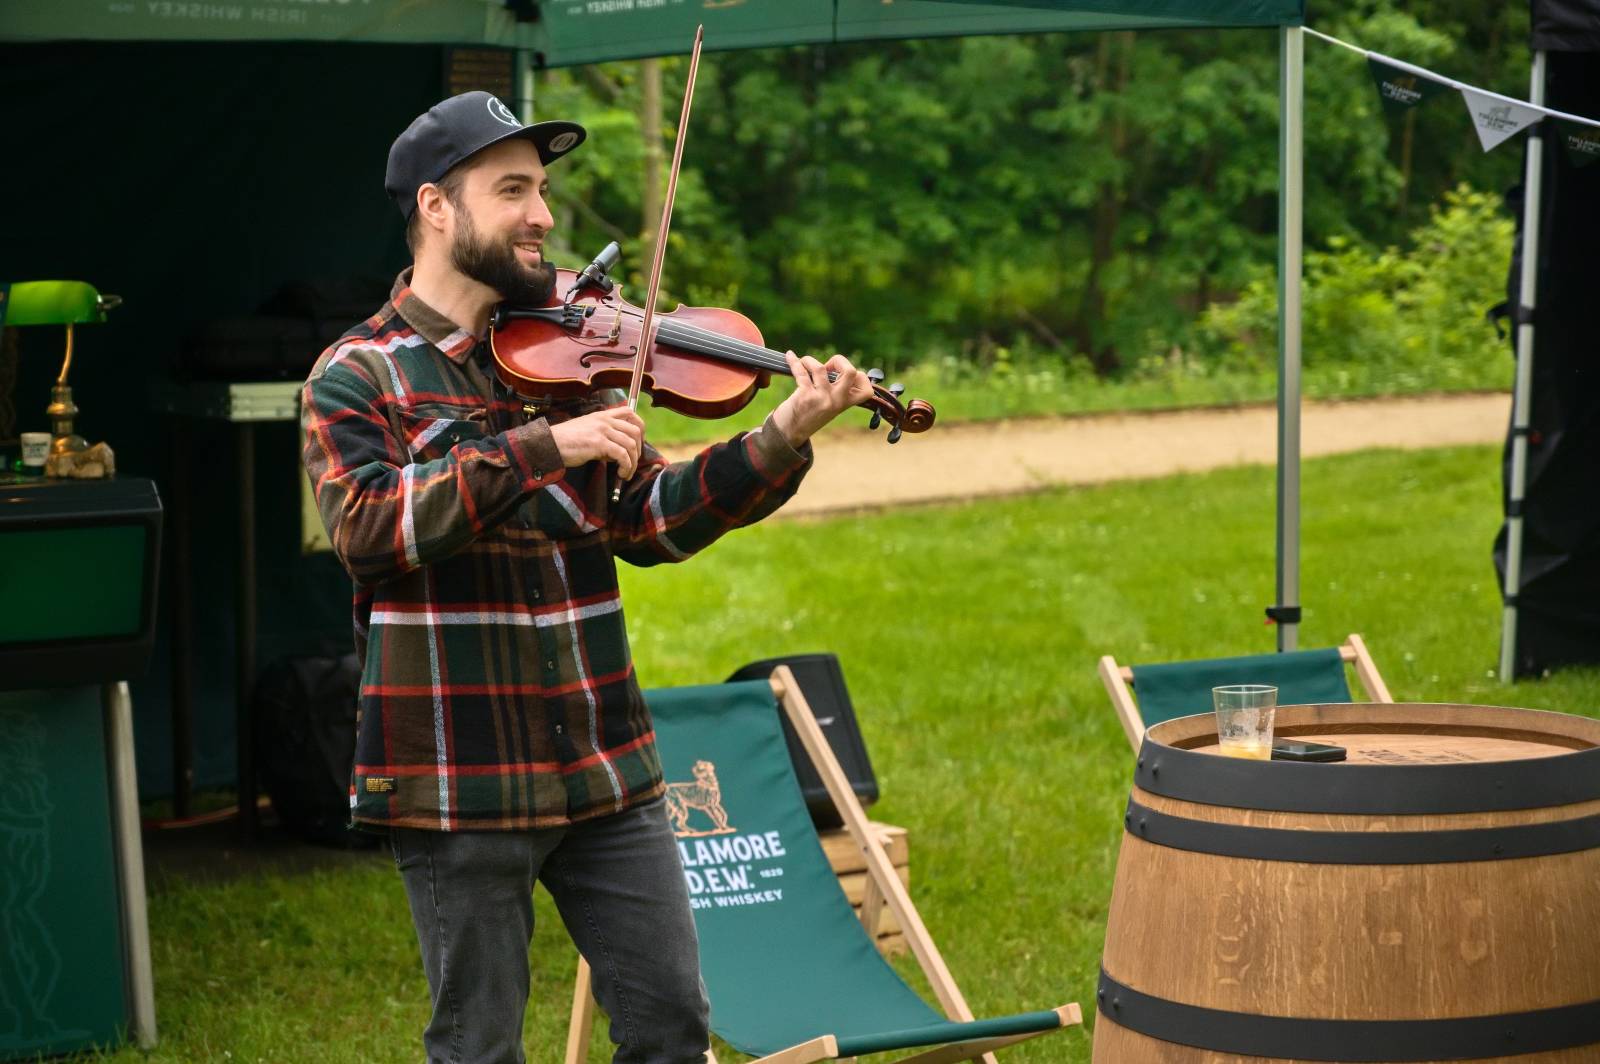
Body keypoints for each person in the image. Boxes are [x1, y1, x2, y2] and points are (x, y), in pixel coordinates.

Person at [300, 91, 873, 1064]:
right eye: (513, 189)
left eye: (544, 189)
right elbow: (369, 528)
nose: (544, 216)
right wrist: (540, 446)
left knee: (669, 1023)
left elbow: (648, 518)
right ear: (437, 207)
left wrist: (778, 438)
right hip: (456, 773)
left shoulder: (572, 356)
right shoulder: (357, 376)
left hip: (605, 764)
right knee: (479, 1044)